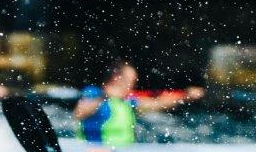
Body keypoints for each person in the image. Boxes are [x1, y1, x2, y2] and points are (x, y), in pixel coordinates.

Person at [73, 60, 203, 146]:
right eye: (131, 81)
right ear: (116, 78)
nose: (133, 85)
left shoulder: (127, 101)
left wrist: (185, 96)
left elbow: (157, 103)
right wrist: (107, 96)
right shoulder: (93, 93)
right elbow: (80, 112)